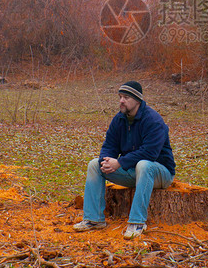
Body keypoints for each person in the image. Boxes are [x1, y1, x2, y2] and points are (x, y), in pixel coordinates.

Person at [73, 81, 175, 239]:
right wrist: (105, 161)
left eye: (126, 97)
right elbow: (109, 145)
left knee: (144, 165)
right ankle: (94, 220)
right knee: (94, 165)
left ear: (137, 100)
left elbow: (150, 153)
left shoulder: (153, 121)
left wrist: (119, 163)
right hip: (133, 172)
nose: (121, 101)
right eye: (120, 97)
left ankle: (137, 223)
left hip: (160, 173)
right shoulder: (119, 120)